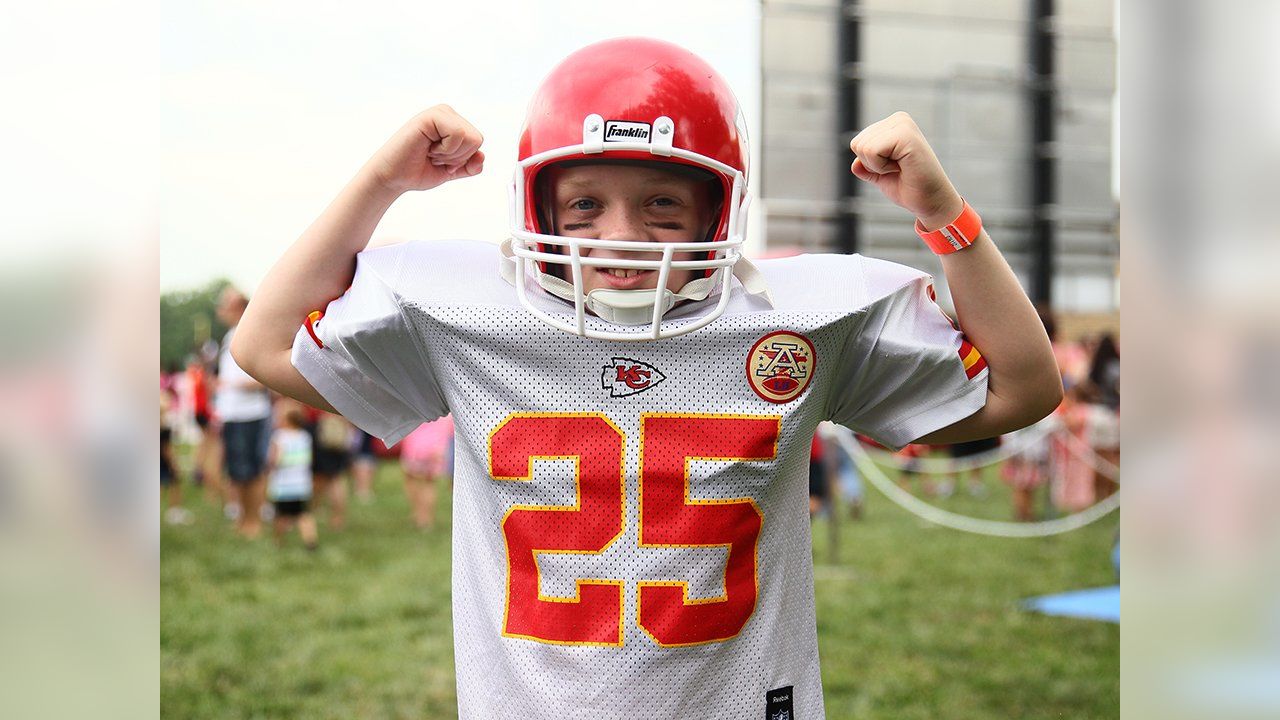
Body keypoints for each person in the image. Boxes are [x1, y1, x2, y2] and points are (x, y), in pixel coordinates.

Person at [233, 38, 1060, 719]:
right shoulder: (468, 312)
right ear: (541, 209)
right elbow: (264, 344)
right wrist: (381, 182)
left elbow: (1023, 389)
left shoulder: (799, 314)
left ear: (715, 209)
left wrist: (945, 217)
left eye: (660, 203)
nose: (620, 237)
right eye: (585, 204)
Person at [215, 286, 273, 538]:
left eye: (225, 305)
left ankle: (254, 521)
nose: (220, 310)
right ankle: (244, 518)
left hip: (250, 413)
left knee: (251, 470)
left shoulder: (250, 334)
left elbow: (264, 377)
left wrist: (229, 385)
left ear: (238, 307)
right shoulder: (231, 336)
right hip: (233, 414)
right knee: (238, 471)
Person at [266, 400, 319, 550]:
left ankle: (278, 542)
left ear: (283, 419)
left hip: (283, 486)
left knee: (281, 516)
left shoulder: (279, 437)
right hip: (301, 485)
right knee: (304, 514)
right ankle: (310, 541)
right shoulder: (305, 437)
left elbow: (274, 460)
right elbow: (310, 459)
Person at [398, 414, 454, 530]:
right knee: (429, 483)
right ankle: (427, 519)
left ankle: (418, 514)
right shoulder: (446, 408)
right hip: (437, 448)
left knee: (411, 479)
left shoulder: (419, 405)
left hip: (416, 447)